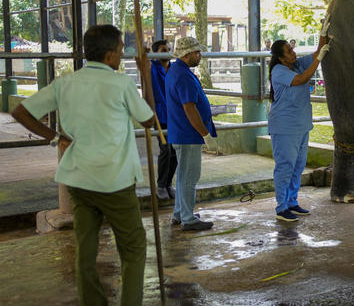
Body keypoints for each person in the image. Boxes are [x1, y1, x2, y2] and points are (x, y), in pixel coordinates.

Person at [11, 25, 154, 306]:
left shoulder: (67, 83)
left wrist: (54, 137)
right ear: (111, 55)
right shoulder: (121, 83)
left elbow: (20, 111)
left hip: (78, 179)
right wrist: (146, 75)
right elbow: (149, 120)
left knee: (85, 250)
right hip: (114, 181)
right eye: (121, 49)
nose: (122, 54)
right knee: (134, 247)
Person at [268, 35, 329, 221]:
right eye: (289, 51)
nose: (293, 53)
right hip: (285, 126)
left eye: (292, 50)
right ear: (280, 58)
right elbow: (302, 79)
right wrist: (318, 60)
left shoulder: (296, 64)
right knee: (285, 166)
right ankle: (281, 207)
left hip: (301, 125)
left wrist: (323, 33)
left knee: (298, 166)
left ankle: (292, 202)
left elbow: (318, 52)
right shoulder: (279, 71)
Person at [166, 36, 217, 231]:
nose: (200, 55)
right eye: (197, 52)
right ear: (187, 54)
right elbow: (190, 108)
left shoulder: (177, 70)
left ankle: (180, 213)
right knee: (189, 176)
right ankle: (188, 218)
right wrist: (205, 134)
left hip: (181, 132)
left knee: (183, 176)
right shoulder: (183, 75)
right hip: (188, 134)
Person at [151, 39, 177, 200]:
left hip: (175, 114)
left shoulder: (174, 69)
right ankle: (161, 185)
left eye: (168, 49)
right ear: (155, 53)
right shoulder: (152, 68)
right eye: (162, 49)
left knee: (175, 150)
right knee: (166, 149)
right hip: (160, 114)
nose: (167, 52)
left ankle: (168, 183)